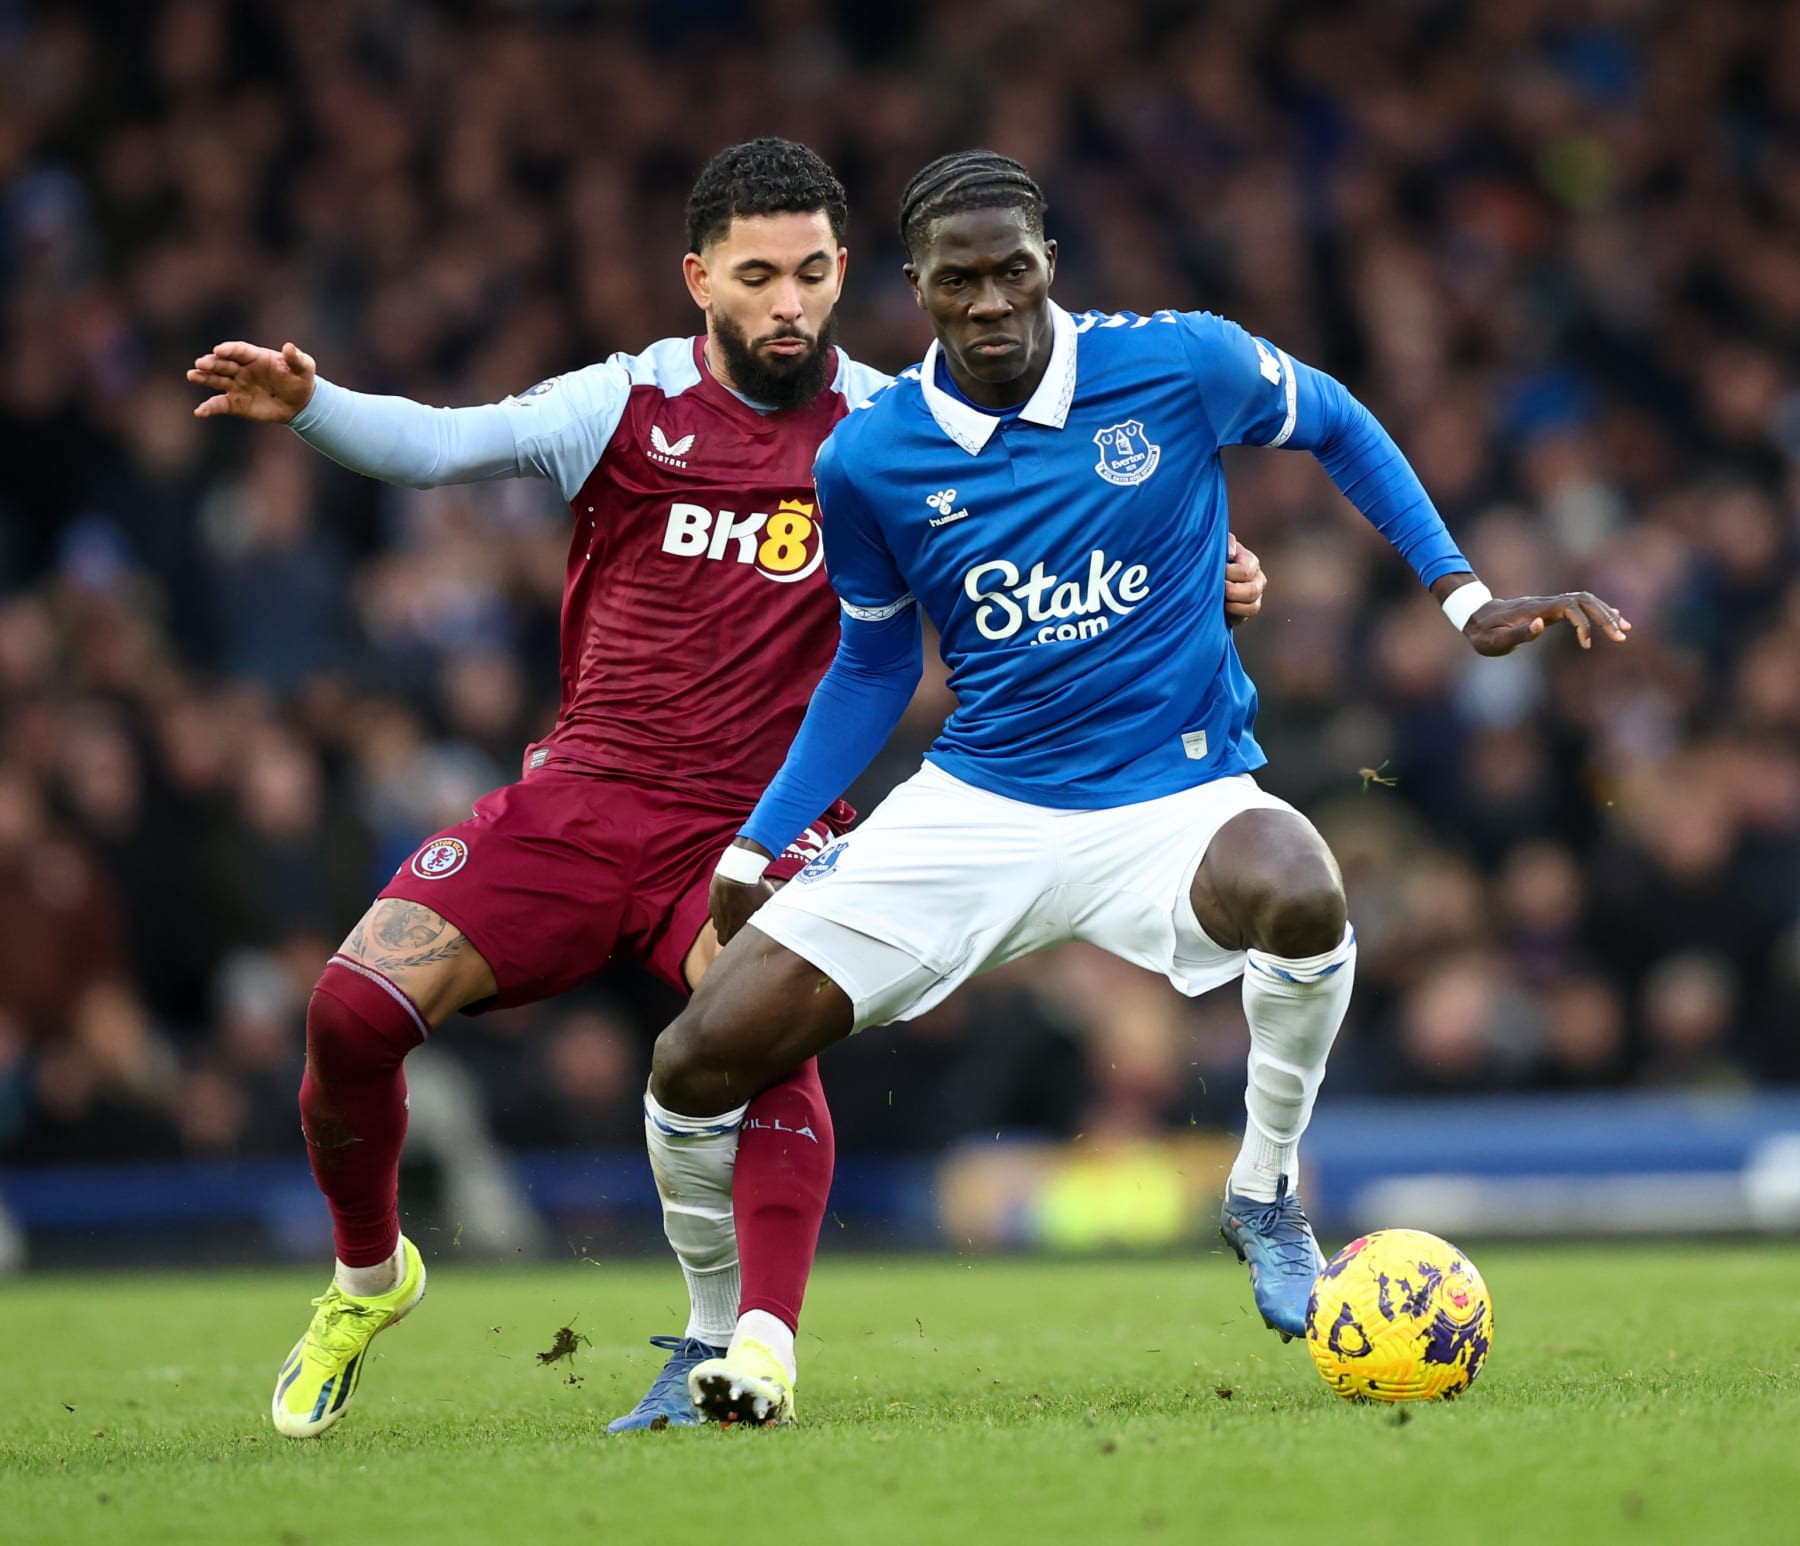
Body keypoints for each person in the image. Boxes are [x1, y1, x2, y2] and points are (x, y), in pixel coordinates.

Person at [185, 139, 1269, 1438]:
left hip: (758, 824)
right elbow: (441, 447)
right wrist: (313, 403)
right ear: (699, 278)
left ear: (845, 272)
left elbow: (1067, 515)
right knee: (352, 1014)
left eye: (813, 273)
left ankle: (756, 1345)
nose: (790, 304)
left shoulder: (892, 428)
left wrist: (1204, 561)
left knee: (763, 1031)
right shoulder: (625, 407)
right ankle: (370, 1279)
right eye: (759, 275)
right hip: (584, 800)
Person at [647, 150, 1631, 1425]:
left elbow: (1334, 416)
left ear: (1049, 262)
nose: (991, 300)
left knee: (1299, 882)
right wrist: (758, 841)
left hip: (1173, 798)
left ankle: (1266, 1189)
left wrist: (1462, 593)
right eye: (961, 280)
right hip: (981, 805)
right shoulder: (868, 459)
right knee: (694, 1057)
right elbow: (876, 660)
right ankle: (712, 1344)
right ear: (915, 289)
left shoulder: (1175, 362)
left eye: (1013, 270)